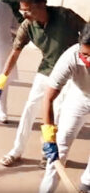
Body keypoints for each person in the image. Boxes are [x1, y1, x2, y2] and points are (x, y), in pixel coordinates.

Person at [0, 0, 86, 167]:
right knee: (30, 109)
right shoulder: (28, 26)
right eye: (22, 10)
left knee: (56, 112)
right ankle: (16, 150)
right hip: (46, 71)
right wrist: (1, 81)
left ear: (42, 5)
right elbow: (14, 53)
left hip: (68, 75)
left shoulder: (65, 16)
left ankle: (47, 152)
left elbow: (87, 31)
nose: (24, 14)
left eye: (28, 10)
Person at [39, 23, 90, 193]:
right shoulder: (71, 56)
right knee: (60, 145)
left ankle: (87, 183)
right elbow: (48, 97)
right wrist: (49, 135)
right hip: (80, 97)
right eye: (85, 55)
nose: (88, 60)